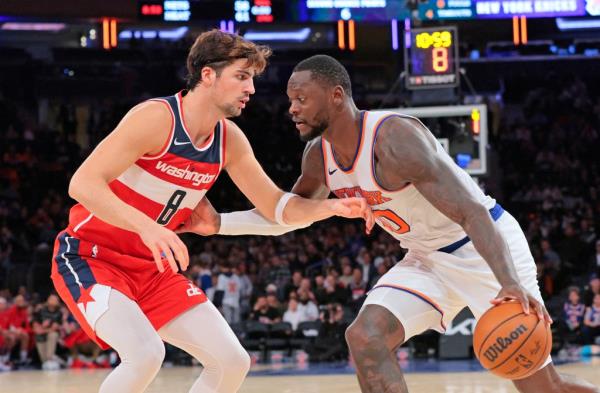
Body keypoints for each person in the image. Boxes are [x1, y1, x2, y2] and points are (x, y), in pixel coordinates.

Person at [189, 55, 599, 392]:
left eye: (301, 98)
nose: (292, 108)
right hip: (426, 258)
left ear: (336, 96)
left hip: (481, 247)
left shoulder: (394, 139)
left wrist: (508, 280)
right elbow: (287, 216)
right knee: (365, 337)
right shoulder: (318, 157)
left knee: (543, 388)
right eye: (290, 99)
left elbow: (471, 212)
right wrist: (219, 222)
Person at [50, 37, 373, 393]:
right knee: (144, 354)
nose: (250, 88)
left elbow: (277, 209)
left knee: (232, 361)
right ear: (208, 75)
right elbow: (83, 184)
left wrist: (329, 207)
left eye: (252, 79)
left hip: (152, 270)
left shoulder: (229, 140)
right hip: (90, 257)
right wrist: (149, 229)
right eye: (241, 76)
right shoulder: (157, 118)